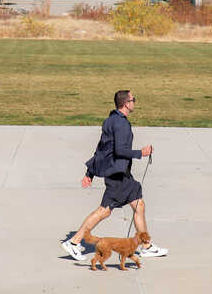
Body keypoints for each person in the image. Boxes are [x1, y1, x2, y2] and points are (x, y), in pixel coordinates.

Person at [61, 90, 168, 261]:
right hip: (117, 175)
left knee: (139, 205)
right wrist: (142, 152)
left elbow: (101, 148)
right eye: (134, 99)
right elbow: (119, 151)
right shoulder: (121, 124)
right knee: (104, 211)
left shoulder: (110, 120)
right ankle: (74, 242)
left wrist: (90, 173)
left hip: (121, 174)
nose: (135, 102)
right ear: (126, 103)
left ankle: (147, 246)